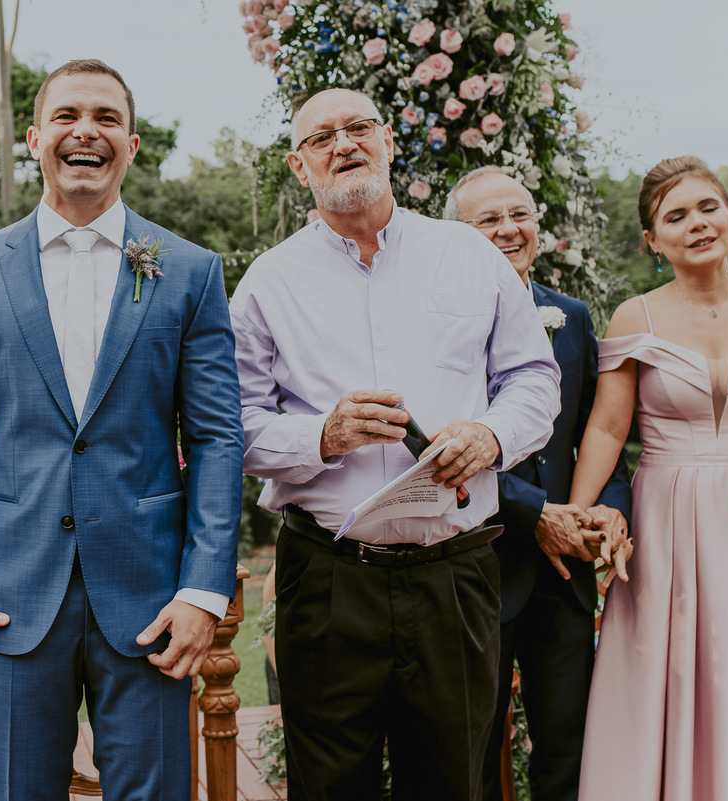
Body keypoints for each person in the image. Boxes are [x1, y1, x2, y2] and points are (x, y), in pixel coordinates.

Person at [0, 59, 244, 801]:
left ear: (133, 144)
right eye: (66, 116)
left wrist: (204, 588)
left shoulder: (190, 270)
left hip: (152, 596)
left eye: (105, 118)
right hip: (12, 592)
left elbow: (217, 437)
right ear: (34, 138)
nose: (85, 130)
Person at [229, 88, 561, 801]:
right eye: (323, 137)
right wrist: (321, 434)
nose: (343, 144)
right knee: (329, 786)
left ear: (387, 140)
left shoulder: (468, 254)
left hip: (454, 570)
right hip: (327, 577)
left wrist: (491, 433)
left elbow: (535, 378)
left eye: (358, 128)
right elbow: (236, 424)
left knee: (454, 781)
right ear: (298, 164)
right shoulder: (267, 284)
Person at [571, 156, 728, 800]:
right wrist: (577, 521)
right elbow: (607, 432)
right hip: (669, 528)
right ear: (652, 240)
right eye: (676, 216)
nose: (697, 223)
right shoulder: (635, 318)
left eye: (707, 207)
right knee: (666, 673)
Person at [444, 167, 631, 801]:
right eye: (487, 219)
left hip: (564, 575)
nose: (508, 229)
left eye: (518, 214)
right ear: (456, 236)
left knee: (571, 747)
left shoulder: (570, 316)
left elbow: (599, 431)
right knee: (469, 747)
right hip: (478, 567)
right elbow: (437, 442)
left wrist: (608, 511)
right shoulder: (436, 323)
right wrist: (536, 513)